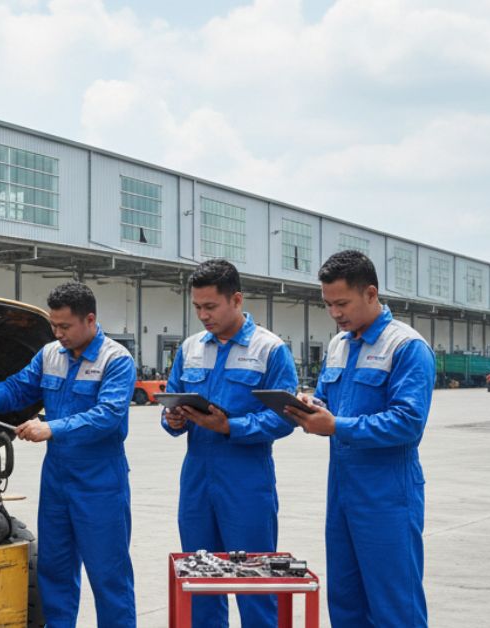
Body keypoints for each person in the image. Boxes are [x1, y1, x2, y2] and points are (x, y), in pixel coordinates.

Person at [0, 282, 136, 628]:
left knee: (109, 574)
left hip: (100, 481)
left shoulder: (115, 360)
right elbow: (16, 388)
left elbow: (109, 415)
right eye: (54, 325)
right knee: (55, 569)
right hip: (58, 479)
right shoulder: (50, 355)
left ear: (90, 320)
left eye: (65, 326)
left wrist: (52, 428)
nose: (58, 333)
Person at [283, 250, 434, 628]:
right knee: (346, 600)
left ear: (370, 293)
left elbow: (408, 422)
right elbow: (329, 401)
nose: (335, 313)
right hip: (343, 491)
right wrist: (309, 406)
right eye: (328, 304)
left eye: (342, 303)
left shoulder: (406, 347)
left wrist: (337, 426)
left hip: (387, 495)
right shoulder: (339, 345)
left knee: (394, 603)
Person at [161, 259, 298, 627]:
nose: (203, 315)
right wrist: (172, 419)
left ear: (236, 299)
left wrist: (231, 427)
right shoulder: (190, 349)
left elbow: (286, 417)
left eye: (211, 306)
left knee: (254, 582)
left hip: (247, 481)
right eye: (197, 307)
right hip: (197, 480)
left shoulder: (270, 350)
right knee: (200, 580)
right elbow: (173, 400)